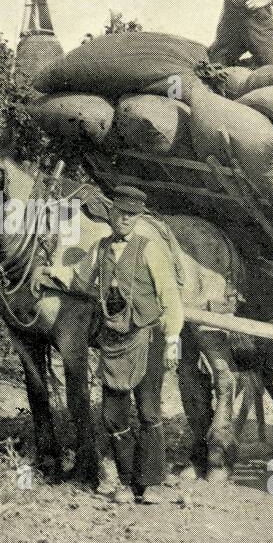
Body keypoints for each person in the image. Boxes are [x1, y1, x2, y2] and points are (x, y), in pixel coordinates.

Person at [88, 186, 182, 505]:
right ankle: (127, 483)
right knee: (113, 415)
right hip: (113, 341)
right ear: (111, 214)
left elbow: (170, 297)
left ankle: (152, 482)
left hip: (147, 337)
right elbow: (83, 284)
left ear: (138, 218)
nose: (124, 219)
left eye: (131, 215)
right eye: (119, 213)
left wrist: (172, 341)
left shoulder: (150, 249)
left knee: (148, 410)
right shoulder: (100, 249)